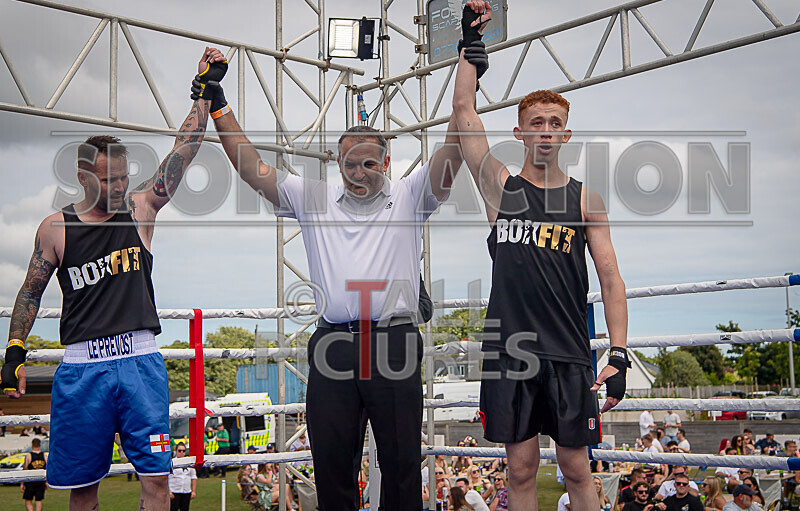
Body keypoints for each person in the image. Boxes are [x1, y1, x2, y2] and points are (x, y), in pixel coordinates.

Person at [198, 32, 461, 507]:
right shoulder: (313, 197)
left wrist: (467, 67)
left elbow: (453, 150)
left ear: (386, 160)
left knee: (402, 466)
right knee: (331, 464)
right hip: (333, 343)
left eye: (367, 163)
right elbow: (249, 165)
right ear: (336, 163)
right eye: (347, 164)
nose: (357, 172)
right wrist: (217, 101)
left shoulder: (410, 193)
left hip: (393, 342)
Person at [1, 47, 226, 511]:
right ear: (84, 176)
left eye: (125, 176)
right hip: (83, 370)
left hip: (141, 365)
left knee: (157, 481)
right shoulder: (55, 229)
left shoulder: (141, 210)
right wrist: (14, 352)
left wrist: (202, 91)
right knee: (83, 490)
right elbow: (30, 291)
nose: (121, 186)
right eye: (110, 179)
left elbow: (182, 151)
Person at [451, 3, 629, 510]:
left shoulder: (584, 199)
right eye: (536, 123)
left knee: (578, 469)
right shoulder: (500, 189)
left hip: (570, 350)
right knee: (521, 468)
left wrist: (618, 354)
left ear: (566, 134)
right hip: (511, 351)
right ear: (520, 132)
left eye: (555, 122)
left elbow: (612, 280)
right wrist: (469, 49)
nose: (546, 130)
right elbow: (464, 112)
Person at [21, 437, 48, 511]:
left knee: (28, 500)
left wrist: (22, 483)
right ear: (40, 445)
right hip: (40, 480)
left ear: (32, 445)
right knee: (38, 500)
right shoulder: (44, 455)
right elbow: (47, 469)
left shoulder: (29, 455)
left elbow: (25, 469)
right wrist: (46, 482)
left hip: (30, 481)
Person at [168, 442, 197, 511]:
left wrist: (193, 491)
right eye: (179, 450)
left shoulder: (189, 462)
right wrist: (168, 491)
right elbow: (165, 478)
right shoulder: (171, 462)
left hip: (186, 492)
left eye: (183, 451)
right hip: (174, 492)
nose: (181, 452)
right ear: (176, 451)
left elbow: (193, 477)